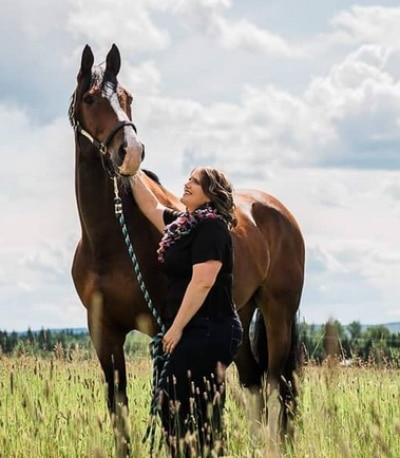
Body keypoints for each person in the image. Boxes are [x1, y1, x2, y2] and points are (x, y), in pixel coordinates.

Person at [130, 166, 243, 457]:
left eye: (195, 181)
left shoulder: (212, 227)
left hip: (209, 328)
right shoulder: (184, 223)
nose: (187, 184)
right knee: (199, 409)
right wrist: (131, 172)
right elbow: (151, 207)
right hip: (196, 328)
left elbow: (203, 282)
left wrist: (176, 327)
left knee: (172, 401)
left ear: (211, 193)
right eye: (189, 179)